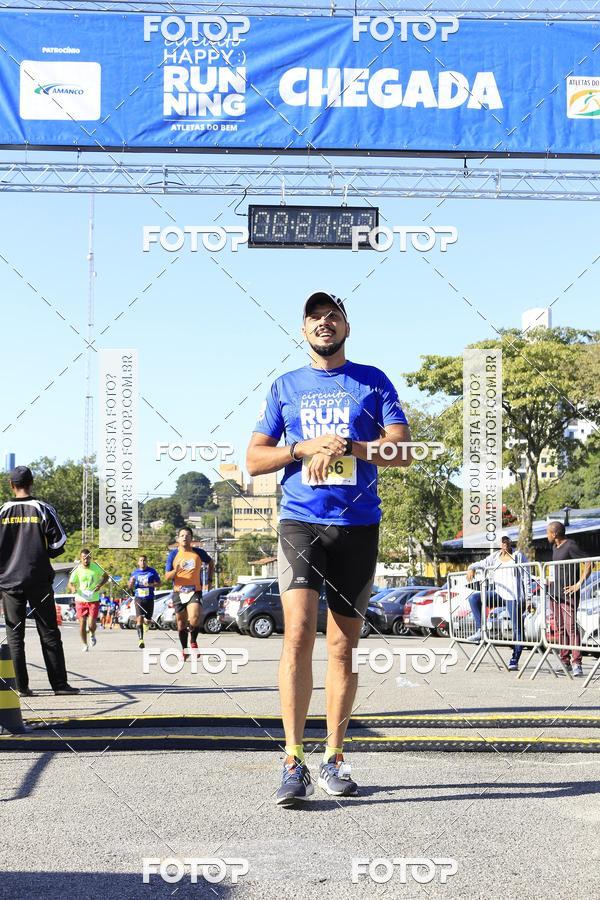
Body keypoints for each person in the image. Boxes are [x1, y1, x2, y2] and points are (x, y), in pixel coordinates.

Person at [246, 290, 412, 807]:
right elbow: (252, 460)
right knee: (296, 633)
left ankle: (334, 758)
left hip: (358, 525)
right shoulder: (285, 386)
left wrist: (348, 446)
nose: (324, 323)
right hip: (301, 521)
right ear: (303, 330)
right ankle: (292, 759)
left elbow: (402, 450)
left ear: (346, 327)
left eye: (332, 316)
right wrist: (302, 447)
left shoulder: (374, 380)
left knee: (342, 645)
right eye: (314, 317)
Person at [0, 465, 79, 696]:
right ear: (32, 483)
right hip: (38, 579)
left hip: (9, 581)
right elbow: (58, 543)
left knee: (15, 634)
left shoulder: (2, 511)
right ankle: (60, 685)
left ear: (11, 485)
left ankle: (20, 687)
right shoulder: (42, 508)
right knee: (49, 632)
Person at [465, 535, 531, 670]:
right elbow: (481, 563)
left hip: (514, 596)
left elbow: (526, 577)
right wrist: (471, 567)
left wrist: (528, 598)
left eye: (507, 542)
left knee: (517, 628)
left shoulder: (518, 556)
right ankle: (480, 630)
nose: (504, 545)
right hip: (499, 594)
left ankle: (515, 658)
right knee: (474, 598)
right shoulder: (494, 557)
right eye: (502, 542)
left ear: (510, 543)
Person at [546, 521, 592, 677]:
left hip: (568, 594)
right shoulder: (554, 547)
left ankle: (577, 663)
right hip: (555, 593)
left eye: (548, 533)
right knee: (559, 628)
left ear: (555, 534)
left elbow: (588, 562)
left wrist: (578, 584)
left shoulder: (571, 545)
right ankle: (564, 660)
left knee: (571, 627)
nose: (547, 536)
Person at [165, 528, 213, 658]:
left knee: (194, 617)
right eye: (182, 535)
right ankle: (184, 649)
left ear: (191, 538)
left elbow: (210, 562)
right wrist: (176, 571)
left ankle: (193, 642)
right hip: (178, 591)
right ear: (178, 539)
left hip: (194, 590)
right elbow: (167, 576)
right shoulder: (173, 555)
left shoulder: (198, 553)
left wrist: (209, 579)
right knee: (181, 623)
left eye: (187, 535)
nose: (185, 537)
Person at [68, 549, 109, 652]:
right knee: (82, 624)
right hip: (80, 599)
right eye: (84, 558)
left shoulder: (96, 567)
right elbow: (71, 583)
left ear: (90, 558)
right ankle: (85, 644)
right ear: (81, 558)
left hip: (93, 599)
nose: (86, 560)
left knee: (91, 624)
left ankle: (92, 633)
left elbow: (106, 576)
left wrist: (99, 585)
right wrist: (73, 588)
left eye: (87, 558)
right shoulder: (77, 570)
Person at [128, 555, 161, 649]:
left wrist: (150, 584)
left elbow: (159, 583)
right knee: (139, 618)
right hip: (139, 598)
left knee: (148, 619)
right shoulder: (135, 573)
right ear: (138, 562)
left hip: (149, 598)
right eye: (141, 560)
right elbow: (130, 586)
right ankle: (141, 640)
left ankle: (146, 624)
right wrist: (131, 583)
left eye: (144, 560)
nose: (142, 562)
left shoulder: (152, 571)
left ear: (147, 562)